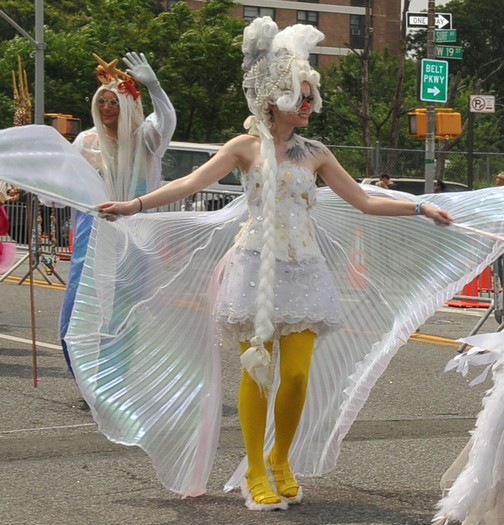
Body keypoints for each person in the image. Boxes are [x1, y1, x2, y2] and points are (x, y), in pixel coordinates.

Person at [97, 18, 452, 510]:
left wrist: (419, 207)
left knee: (298, 375)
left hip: (305, 270)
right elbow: (189, 184)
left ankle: (280, 457)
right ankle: (255, 468)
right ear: (273, 98)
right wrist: (133, 206)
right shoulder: (243, 148)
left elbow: (364, 200)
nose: (308, 104)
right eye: (300, 96)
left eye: (310, 96)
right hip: (253, 268)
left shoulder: (317, 153)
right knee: (257, 372)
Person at [58, 51, 176, 372]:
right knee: (80, 303)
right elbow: (66, 185)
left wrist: (155, 88)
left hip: (133, 233)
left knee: (124, 307)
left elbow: (166, 122)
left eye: (114, 102)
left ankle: (113, 377)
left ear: (127, 105)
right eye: (102, 101)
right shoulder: (86, 141)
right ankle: (82, 372)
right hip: (93, 233)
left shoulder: (145, 140)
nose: (107, 107)